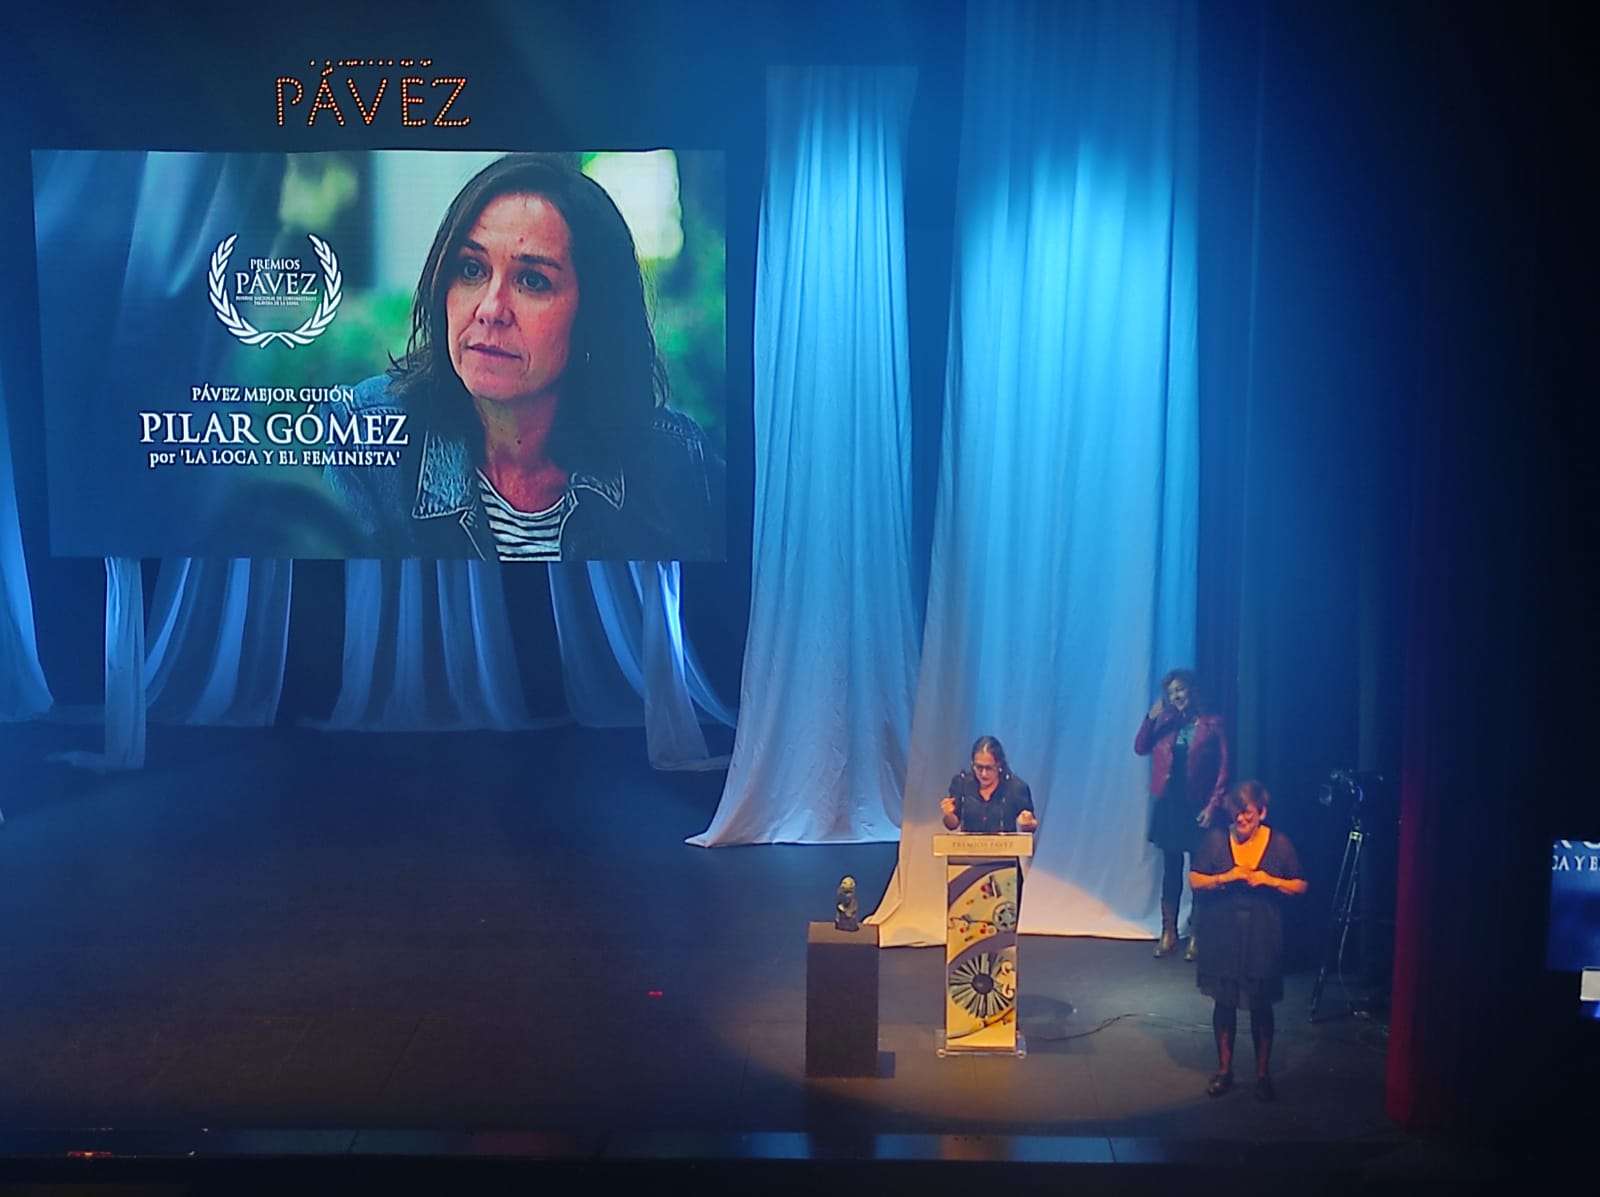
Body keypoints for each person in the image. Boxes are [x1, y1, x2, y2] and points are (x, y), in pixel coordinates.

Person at [326, 153, 723, 560]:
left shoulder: (678, 464)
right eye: (471, 270)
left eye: (533, 280)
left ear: (595, 314)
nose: (490, 309)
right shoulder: (367, 436)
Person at [1188, 780, 1307, 1101]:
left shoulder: (1279, 844)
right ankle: (1224, 1070)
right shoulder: (1216, 839)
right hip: (1222, 933)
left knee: (1260, 1004)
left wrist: (1269, 880)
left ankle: (1262, 1074)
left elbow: (1300, 885)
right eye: (1236, 814)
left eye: (1247, 814)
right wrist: (1226, 877)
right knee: (1224, 1002)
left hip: (1262, 933)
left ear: (1262, 813)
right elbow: (1195, 879)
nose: (1241, 819)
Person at [1135, 669, 1230, 959]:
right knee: (1171, 870)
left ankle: (1197, 935)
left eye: (1180, 690)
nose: (1176, 696)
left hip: (1197, 806)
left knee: (1199, 872)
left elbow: (1224, 768)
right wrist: (1150, 718)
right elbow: (1140, 748)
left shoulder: (1212, 724)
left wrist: (1212, 806)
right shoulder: (1165, 723)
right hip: (1170, 805)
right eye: (1172, 692)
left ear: (1191, 690)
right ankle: (1169, 933)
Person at [940, 735, 1039, 834]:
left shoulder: (1015, 787)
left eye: (989, 768)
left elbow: (1030, 828)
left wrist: (1027, 823)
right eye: (979, 767)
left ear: (999, 765)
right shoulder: (962, 784)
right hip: (969, 844)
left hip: (1005, 844)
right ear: (972, 764)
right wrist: (949, 815)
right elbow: (952, 825)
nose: (984, 774)